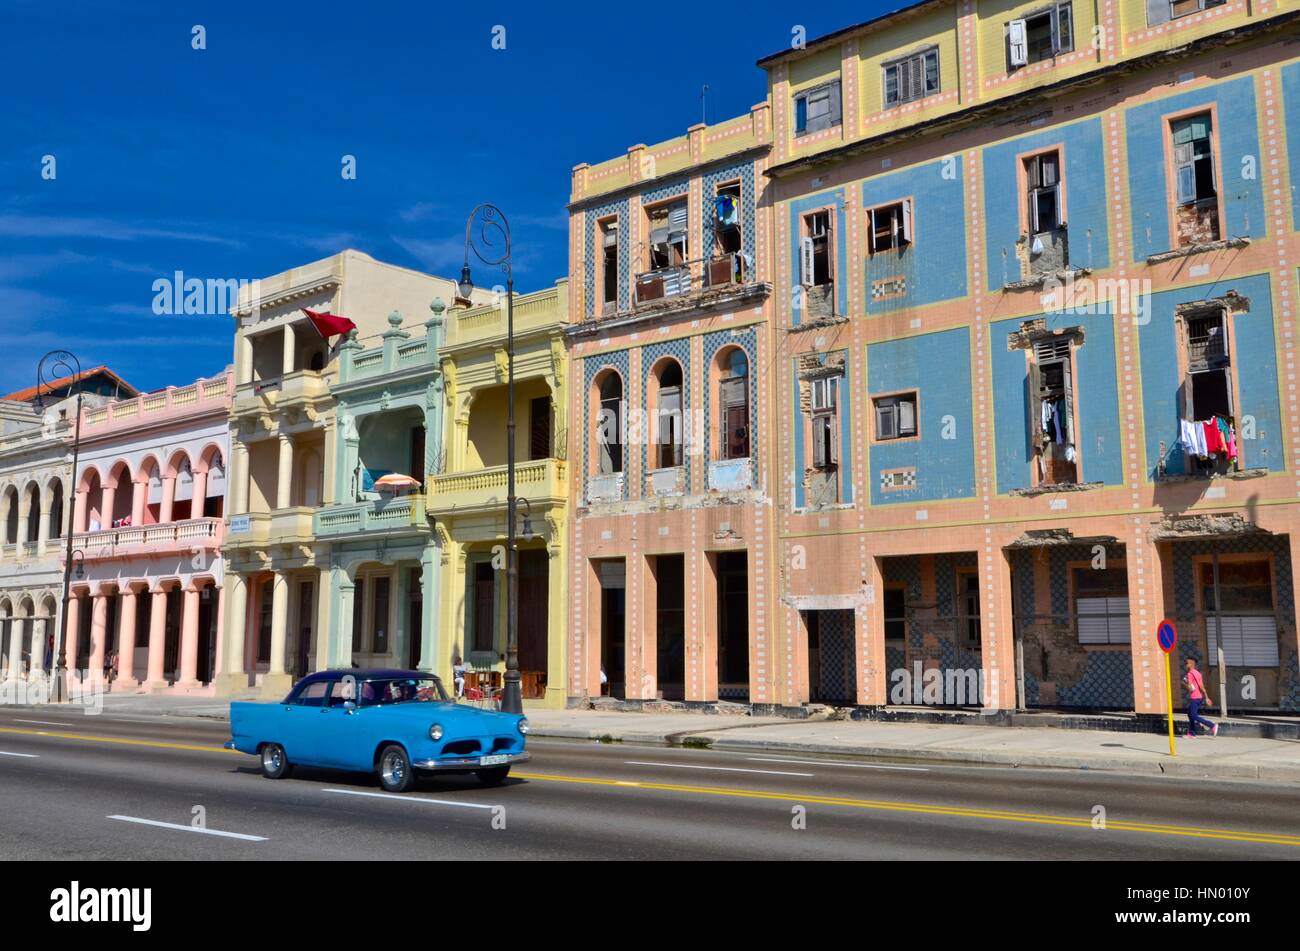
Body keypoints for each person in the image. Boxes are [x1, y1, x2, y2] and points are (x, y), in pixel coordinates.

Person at [1183, 658, 1218, 738]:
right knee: (1190, 714)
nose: (1185, 665)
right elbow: (1201, 686)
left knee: (1194, 715)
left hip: (1195, 697)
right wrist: (1206, 697)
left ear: (1191, 664)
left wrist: (1185, 683)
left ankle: (1212, 725)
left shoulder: (1190, 674)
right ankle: (1192, 733)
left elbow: (1191, 689)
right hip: (1199, 697)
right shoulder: (1198, 673)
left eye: (1186, 663)